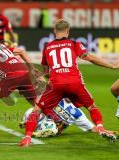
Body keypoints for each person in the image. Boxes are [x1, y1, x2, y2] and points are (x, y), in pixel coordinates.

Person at [19, 19, 118, 147]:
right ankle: (100, 128)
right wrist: (111, 66)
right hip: (74, 82)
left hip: (56, 83)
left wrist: (52, 75)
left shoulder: (47, 47)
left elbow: (46, 70)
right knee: (91, 107)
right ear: (68, 31)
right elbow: (90, 58)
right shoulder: (74, 43)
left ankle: (27, 138)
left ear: (55, 31)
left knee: (37, 110)